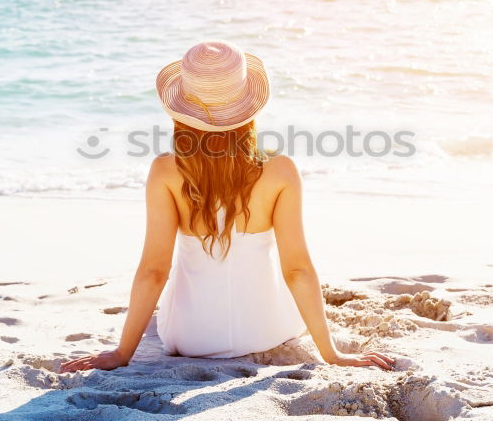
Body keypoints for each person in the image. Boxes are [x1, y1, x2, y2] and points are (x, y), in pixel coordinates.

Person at [59, 40, 395, 373]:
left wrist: (122, 353)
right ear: (249, 107)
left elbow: (153, 271)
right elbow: (298, 270)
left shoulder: (166, 171)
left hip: (191, 339)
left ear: (182, 112)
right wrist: (331, 353)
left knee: (171, 292)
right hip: (268, 330)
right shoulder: (280, 170)